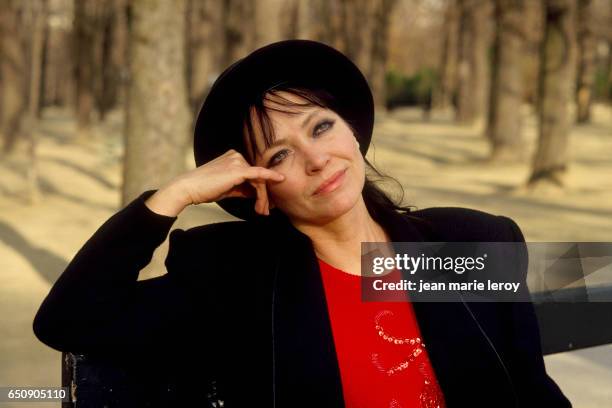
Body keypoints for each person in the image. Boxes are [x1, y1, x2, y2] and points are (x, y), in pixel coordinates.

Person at [33, 40, 571, 408]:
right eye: (279, 155)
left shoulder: (466, 243)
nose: (316, 160)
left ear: (353, 134)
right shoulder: (233, 279)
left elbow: (535, 391)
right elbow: (68, 321)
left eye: (321, 127)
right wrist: (174, 195)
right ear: (258, 184)